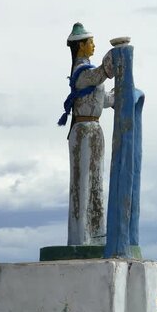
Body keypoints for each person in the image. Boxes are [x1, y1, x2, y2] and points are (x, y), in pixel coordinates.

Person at [58, 23, 114, 246]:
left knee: (96, 181)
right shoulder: (82, 72)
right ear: (81, 46)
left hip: (93, 129)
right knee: (83, 182)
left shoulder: (88, 73)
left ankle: (96, 234)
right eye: (90, 42)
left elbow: (104, 100)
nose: (93, 45)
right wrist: (117, 55)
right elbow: (101, 73)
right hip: (83, 131)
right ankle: (82, 237)